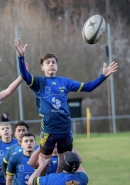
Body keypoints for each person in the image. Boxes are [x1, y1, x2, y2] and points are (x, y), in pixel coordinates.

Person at [14, 38, 118, 172]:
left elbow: (88, 87)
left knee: (63, 166)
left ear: (57, 66)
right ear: (42, 67)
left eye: (53, 62)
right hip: (48, 131)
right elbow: (24, 75)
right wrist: (21, 57)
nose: (51, 64)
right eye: (48, 63)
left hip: (65, 130)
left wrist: (103, 76)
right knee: (43, 164)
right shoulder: (38, 82)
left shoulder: (65, 82)